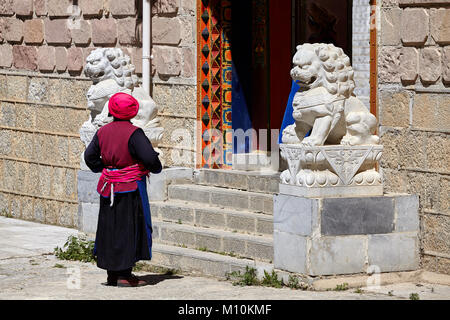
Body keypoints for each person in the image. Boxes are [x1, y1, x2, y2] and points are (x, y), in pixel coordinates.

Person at [84, 92, 162, 287]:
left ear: (111, 109)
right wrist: (154, 166)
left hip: (108, 188)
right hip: (129, 189)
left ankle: (112, 273)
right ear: (133, 111)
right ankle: (124, 275)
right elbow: (150, 158)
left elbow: (89, 157)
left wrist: (107, 169)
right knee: (127, 229)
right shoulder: (134, 133)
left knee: (110, 228)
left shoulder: (102, 132)